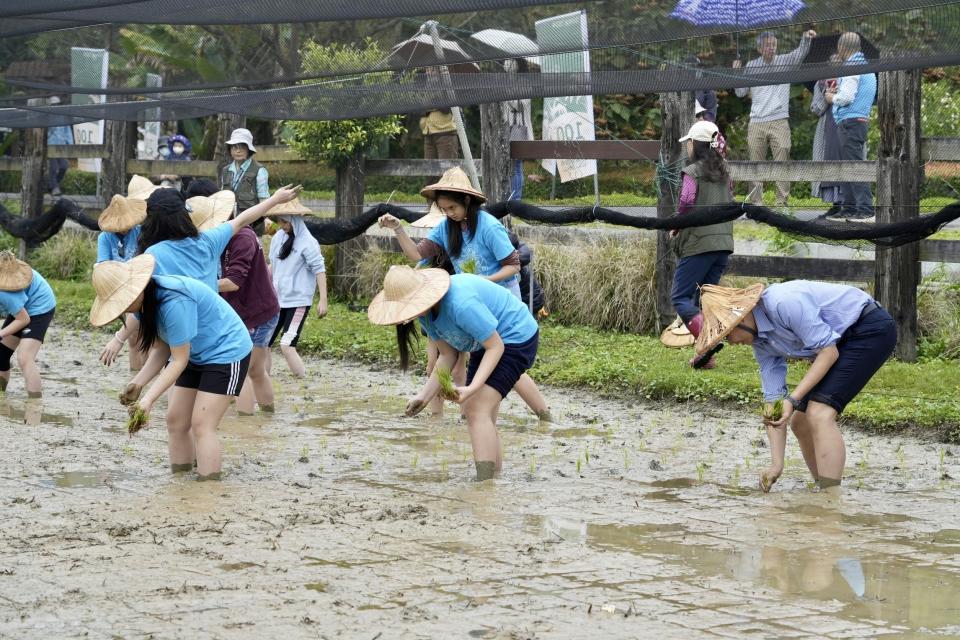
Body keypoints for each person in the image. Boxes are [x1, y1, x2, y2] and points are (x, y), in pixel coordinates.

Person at [377, 167, 550, 419]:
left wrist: (482, 280)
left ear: (467, 200)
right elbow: (416, 255)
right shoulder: (446, 228)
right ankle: (499, 417)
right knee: (495, 366)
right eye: (444, 209)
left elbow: (513, 266)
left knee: (503, 363)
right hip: (471, 300)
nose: (449, 214)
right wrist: (398, 229)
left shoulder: (489, 227)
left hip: (498, 300)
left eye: (452, 208)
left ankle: (515, 416)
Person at [694, 281, 896, 492]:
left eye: (728, 335)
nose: (731, 342)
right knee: (800, 422)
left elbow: (828, 352)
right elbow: (773, 400)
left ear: (741, 318)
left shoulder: (783, 303)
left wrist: (792, 399)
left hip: (868, 327)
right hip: (838, 342)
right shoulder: (760, 343)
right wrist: (776, 465)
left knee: (819, 413)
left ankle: (831, 498)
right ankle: (823, 487)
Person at [369, 266, 540, 480]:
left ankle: (483, 486)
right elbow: (448, 355)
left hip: (515, 336)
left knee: (476, 409)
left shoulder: (460, 304)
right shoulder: (426, 313)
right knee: (480, 414)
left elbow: (496, 346)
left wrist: (472, 388)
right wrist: (423, 397)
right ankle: (493, 479)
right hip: (485, 343)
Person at [89, 255, 252, 481]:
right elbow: (162, 349)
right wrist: (138, 383)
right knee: (175, 421)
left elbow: (178, 360)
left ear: (136, 289)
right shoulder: (145, 303)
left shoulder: (173, 301)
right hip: (194, 352)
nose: (123, 309)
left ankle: (208, 488)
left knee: (202, 425)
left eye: (123, 302)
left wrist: (148, 400)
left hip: (225, 351)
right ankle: (181, 481)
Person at [205, 192, 281, 415]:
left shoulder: (243, 239)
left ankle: (247, 422)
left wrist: (199, 284)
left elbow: (233, 282)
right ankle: (266, 416)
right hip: (241, 311)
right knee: (254, 370)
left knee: (245, 370)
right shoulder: (220, 238)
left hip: (258, 312)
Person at [670, 121, 734, 368]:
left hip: (699, 244)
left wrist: (676, 225)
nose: (687, 146)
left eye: (688, 142)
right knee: (704, 298)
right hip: (723, 244)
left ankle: (707, 344)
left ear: (696, 145)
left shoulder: (692, 172)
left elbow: (686, 202)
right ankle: (704, 358)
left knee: (680, 297)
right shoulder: (725, 172)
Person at [734, 29, 816, 207]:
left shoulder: (785, 61)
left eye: (773, 45)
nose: (771, 48)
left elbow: (800, 53)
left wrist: (806, 38)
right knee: (755, 163)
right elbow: (740, 93)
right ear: (759, 48)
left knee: (783, 157)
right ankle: (756, 204)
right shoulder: (751, 66)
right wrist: (738, 73)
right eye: (767, 45)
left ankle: (782, 203)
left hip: (779, 120)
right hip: (756, 121)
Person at [96, 174, 159, 371]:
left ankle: (147, 381)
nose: (124, 229)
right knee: (133, 339)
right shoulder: (105, 238)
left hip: (142, 285)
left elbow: (147, 260)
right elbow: (103, 266)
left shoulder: (140, 232)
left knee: (148, 337)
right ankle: (134, 378)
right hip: (120, 289)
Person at [267, 198, 328, 378]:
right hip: (277, 299)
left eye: (285, 222)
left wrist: (323, 300)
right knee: (263, 344)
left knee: (287, 345)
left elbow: (320, 270)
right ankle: (263, 381)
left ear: (295, 220)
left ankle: (304, 384)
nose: (282, 225)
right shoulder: (278, 238)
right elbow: (272, 266)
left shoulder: (308, 242)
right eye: (280, 221)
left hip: (298, 301)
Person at [826, 32, 877, 222]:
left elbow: (847, 98)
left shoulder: (851, 67)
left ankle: (865, 210)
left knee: (854, 167)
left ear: (842, 48)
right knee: (848, 166)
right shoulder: (866, 67)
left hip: (850, 122)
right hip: (857, 121)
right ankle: (848, 208)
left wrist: (832, 98)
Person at [0, 251, 56, 397]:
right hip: (21, 308)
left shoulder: (5, 293)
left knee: (24, 357)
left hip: (40, 307)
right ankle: (1, 394)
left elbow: (23, 320)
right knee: (1, 354)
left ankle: (35, 403)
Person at [219, 128, 270, 233]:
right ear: (230, 150)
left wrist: (267, 219)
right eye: (234, 147)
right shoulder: (225, 170)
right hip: (229, 226)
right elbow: (222, 197)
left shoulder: (260, 170)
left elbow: (264, 200)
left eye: (242, 147)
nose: (238, 151)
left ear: (249, 150)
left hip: (252, 227)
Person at [811, 56, 844, 218]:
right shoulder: (820, 83)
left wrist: (839, 95)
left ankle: (848, 204)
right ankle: (835, 204)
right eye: (833, 60)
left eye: (840, 60)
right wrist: (827, 97)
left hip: (846, 125)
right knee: (828, 161)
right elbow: (815, 109)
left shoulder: (851, 79)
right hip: (826, 127)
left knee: (847, 161)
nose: (837, 63)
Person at [503, 58, 533, 200]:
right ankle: (507, 198)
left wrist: (508, 95)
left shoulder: (525, 83)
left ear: (518, 63)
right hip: (504, 131)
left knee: (516, 166)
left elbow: (521, 105)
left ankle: (516, 199)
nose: (507, 64)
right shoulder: (503, 83)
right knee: (506, 166)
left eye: (511, 61)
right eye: (506, 61)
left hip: (519, 130)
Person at [46, 97, 73, 197]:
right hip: (50, 146)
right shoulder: (46, 117)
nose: (55, 106)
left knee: (64, 166)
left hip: (61, 146)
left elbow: (67, 131)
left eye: (57, 104)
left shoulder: (63, 117)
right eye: (54, 105)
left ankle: (51, 185)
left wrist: (70, 144)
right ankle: (55, 188)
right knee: (53, 167)